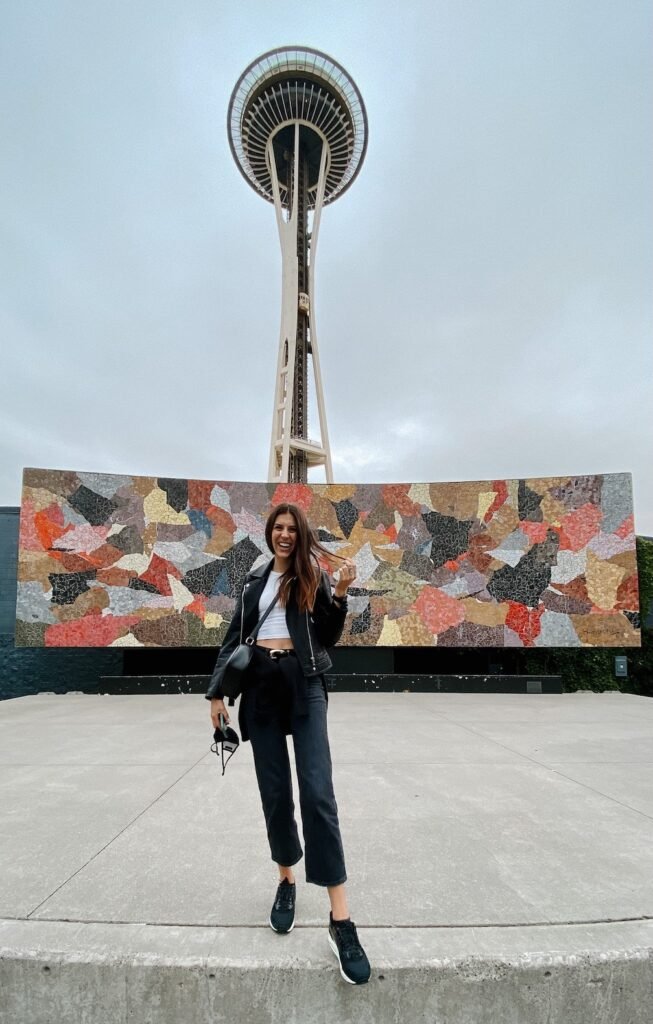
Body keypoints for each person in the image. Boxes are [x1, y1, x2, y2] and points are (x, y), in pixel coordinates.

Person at [206, 502, 371, 986]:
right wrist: (215, 693)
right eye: (276, 528)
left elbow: (328, 636)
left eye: (290, 528)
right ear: (269, 534)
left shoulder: (311, 579)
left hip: (306, 685)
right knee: (276, 795)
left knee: (318, 794)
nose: (283, 535)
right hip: (260, 689)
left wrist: (339, 594)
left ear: (300, 535)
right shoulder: (254, 584)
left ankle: (340, 920)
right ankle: (286, 881)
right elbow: (231, 639)